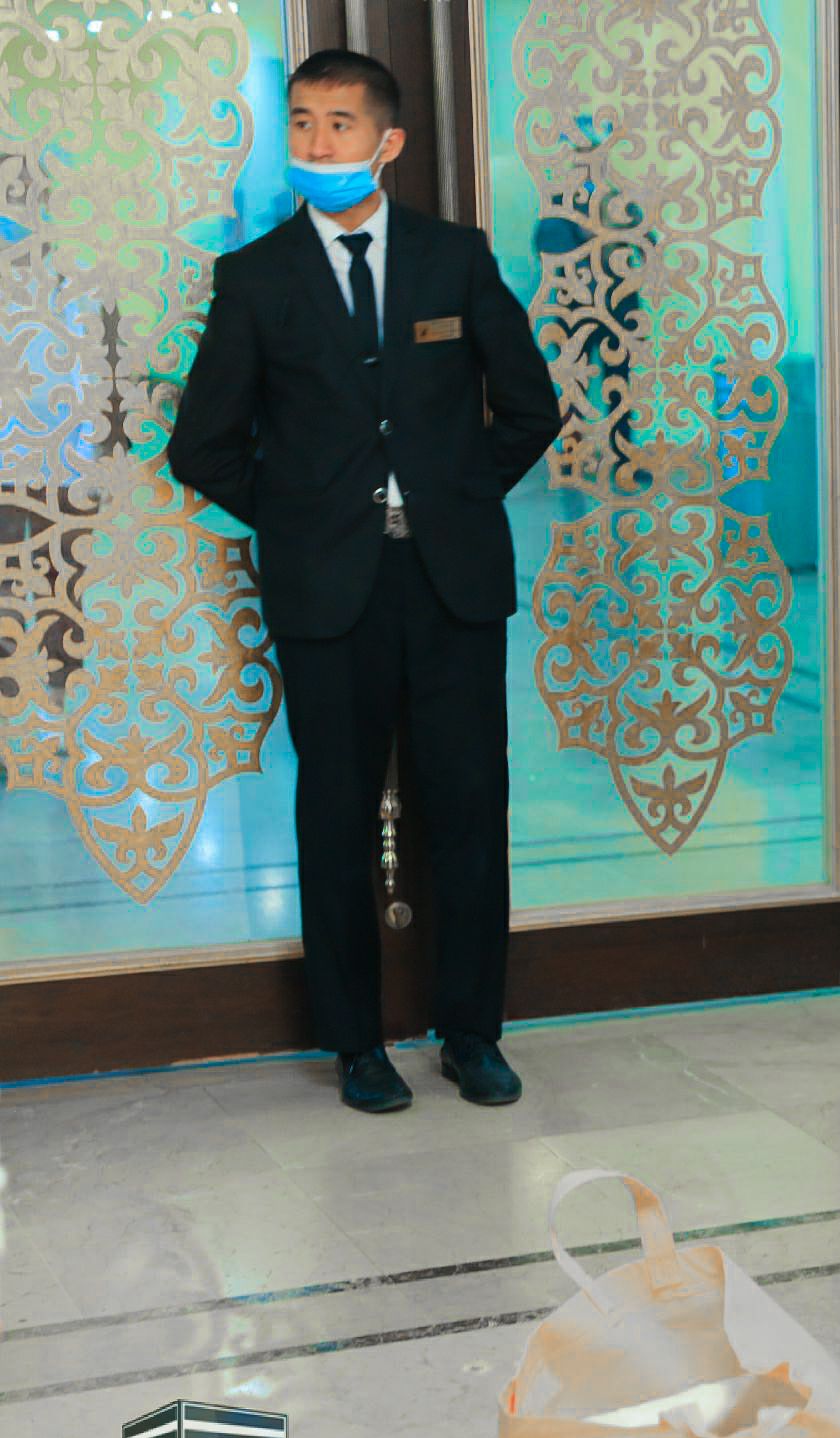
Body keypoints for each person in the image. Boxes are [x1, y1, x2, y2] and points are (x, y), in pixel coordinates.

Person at [167, 50, 562, 1113]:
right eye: (301, 121)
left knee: (469, 805)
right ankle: (355, 1045)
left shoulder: (454, 258)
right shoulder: (255, 276)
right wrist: (304, 515)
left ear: (387, 143)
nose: (317, 141)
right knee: (335, 813)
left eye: (339, 124)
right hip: (328, 589)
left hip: (450, 582)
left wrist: (453, 496)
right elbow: (201, 446)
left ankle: (472, 1033)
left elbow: (530, 407)